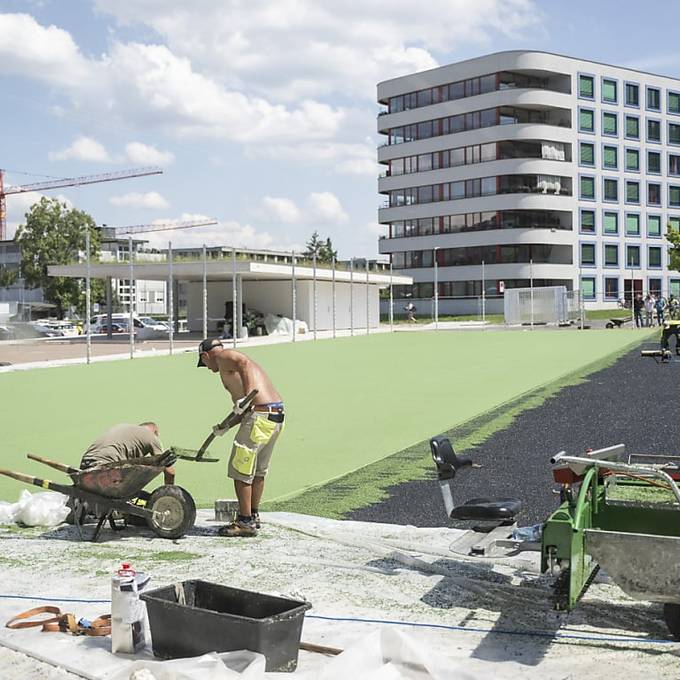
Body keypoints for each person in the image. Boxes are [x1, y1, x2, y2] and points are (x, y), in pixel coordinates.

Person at [197, 338, 284, 537]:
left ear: (205, 355)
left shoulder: (223, 357)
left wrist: (246, 396)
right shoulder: (229, 368)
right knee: (258, 470)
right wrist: (225, 426)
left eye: (205, 363)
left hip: (259, 416)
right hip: (274, 416)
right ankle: (252, 515)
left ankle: (244, 522)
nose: (208, 368)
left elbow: (243, 363)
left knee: (240, 469)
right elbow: (244, 410)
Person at [80, 422, 175, 485]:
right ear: (155, 432)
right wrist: (169, 495)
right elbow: (169, 471)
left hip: (85, 464)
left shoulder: (125, 428)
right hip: (106, 467)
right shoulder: (151, 437)